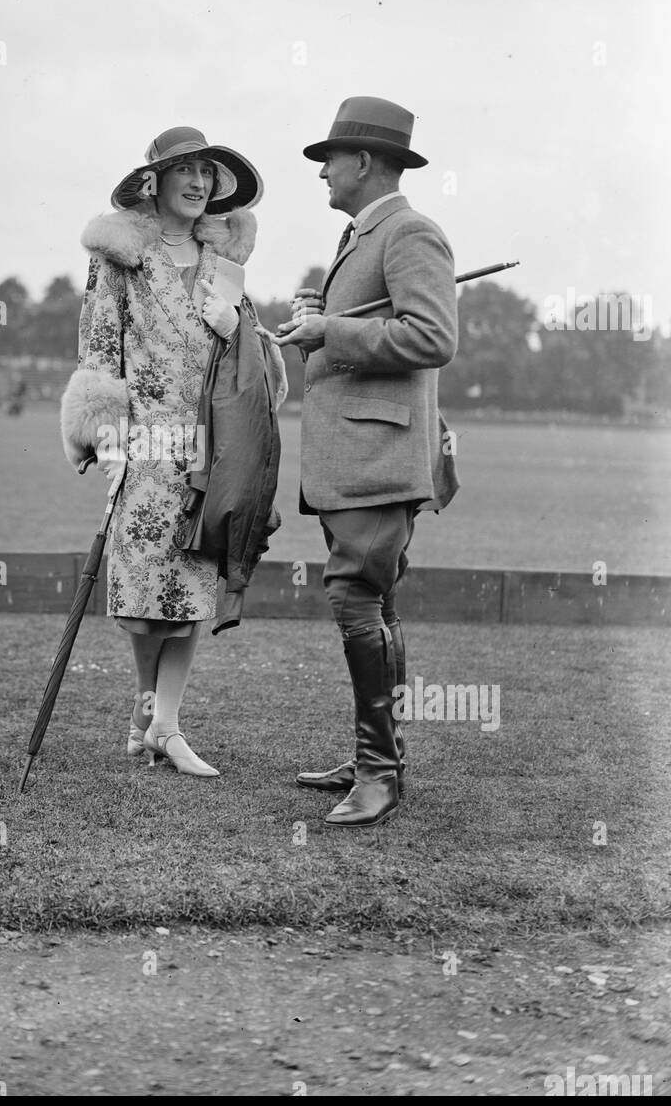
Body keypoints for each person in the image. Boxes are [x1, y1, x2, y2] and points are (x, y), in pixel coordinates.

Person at [60, 126, 285, 778]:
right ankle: (148, 707)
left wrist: (237, 325)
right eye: (184, 170)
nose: (198, 182)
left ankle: (166, 726)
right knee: (141, 608)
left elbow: (259, 361)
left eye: (207, 173)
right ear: (155, 181)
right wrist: (99, 438)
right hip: (142, 449)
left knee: (190, 595)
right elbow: (99, 350)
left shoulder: (227, 266)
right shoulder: (118, 260)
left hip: (209, 452)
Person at [273, 97, 459, 827]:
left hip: (379, 459)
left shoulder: (410, 231)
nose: (321, 172)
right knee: (373, 601)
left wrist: (333, 332)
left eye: (330, 159)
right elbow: (374, 325)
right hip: (356, 460)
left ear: (362, 163)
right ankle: (375, 755)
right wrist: (323, 321)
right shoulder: (363, 234)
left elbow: (432, 337)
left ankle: (380, 773)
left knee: (355, 599)